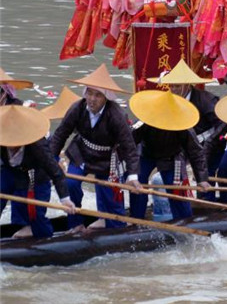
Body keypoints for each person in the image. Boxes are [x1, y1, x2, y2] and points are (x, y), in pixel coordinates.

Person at [50, 64, 140, 231]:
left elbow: (129, 146)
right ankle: (75, 224)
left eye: (98, 95)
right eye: (89, 93)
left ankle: (115, 227)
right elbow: (60, 135)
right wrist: (51, 160)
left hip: (107, 159)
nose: (92, 99)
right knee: (70, 184)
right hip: (81, 153)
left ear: (106, 97)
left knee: (111, 195)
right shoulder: (77, 108)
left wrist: (133, 175)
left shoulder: (116, 115)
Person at [1, 71, 75, 238]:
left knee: (35, 216)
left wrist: (64, 198)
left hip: (35, 175)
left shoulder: (34, 141)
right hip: (9, 170)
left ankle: (44, 238)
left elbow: (54, 170)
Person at [146, 60, 227, 201]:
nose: (174, 90)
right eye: (171, 86)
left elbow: (223, 123)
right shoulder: (169, 100)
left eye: (177, 86)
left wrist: (210, 142)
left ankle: (206, 206)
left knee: (204, 174)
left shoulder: (206, 100)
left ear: (187, 85)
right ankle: (182, 201)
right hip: (186, 144)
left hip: (210, 144)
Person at [129, 90, 211, 221]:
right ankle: (136, 218)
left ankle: (185, 220)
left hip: (171, 157)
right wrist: (128, 173)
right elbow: (128, 142)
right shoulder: (144, 120)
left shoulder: (182, 124)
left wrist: (202, 179)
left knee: (177, 189)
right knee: (137, 182)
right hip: (147, 154)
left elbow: (196, 152)